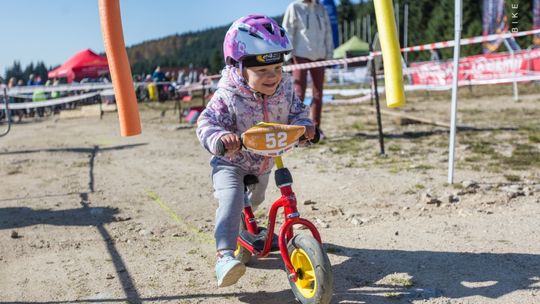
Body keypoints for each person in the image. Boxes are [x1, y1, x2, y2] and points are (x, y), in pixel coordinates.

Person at [196, 15, 315, 288]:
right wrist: (220, 137)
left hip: (264, 159)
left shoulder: (284, 87)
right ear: (239, 67)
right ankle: (224, 255)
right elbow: (206, 122)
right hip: (231, 162)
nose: (272, 77)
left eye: (277, 68)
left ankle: (248, 226)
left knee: (256, 198)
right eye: (262, 71)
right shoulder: (227, 94)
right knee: (232, 199)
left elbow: (298, 112)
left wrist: (305, 128)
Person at [283, 0, 334, 137]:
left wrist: (329, 55)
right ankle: (297, 128)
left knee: (318, 93)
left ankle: (315, 129)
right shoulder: (294, 7)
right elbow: (287, 31)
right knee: (299, 92)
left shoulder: (321, 9)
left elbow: (328, 32)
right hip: (300, 55)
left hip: (320, 55)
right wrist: (288, 56)